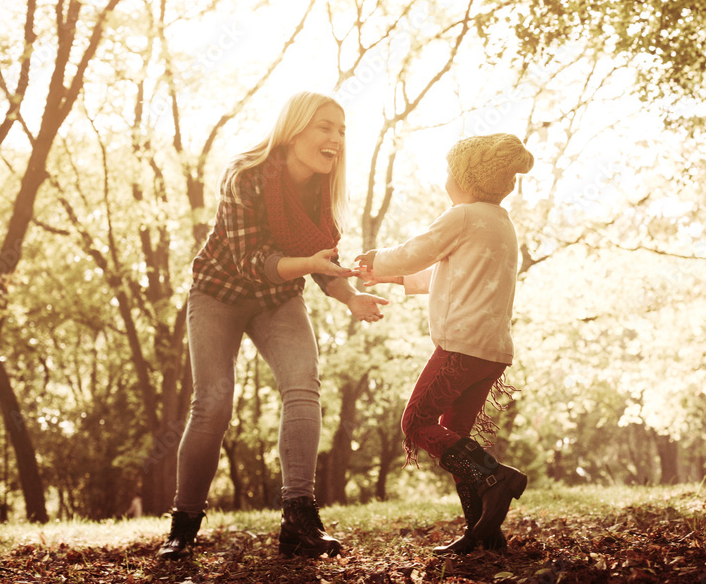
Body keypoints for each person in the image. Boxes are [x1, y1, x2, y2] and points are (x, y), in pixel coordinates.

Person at [157, 91, 389, 560]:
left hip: (277, 298)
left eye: (341, 130)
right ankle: (183, 525)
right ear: (295, 128)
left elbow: (324, 263)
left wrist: (350, 297)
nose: (336, 139)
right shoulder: (247, 173)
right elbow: (250, 261)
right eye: (325, 127)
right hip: (219, 292)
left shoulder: (323, 190)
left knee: (303, 383)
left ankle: (299, 519)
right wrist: (310, 263)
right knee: (214, 402)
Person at [356, 133, 534, 555]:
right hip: (491, 352)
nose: (444, 180)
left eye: (450, 171)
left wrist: (376, 260)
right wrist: (391, 277)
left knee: (416, 424)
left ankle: (496, 478)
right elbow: (446, 271)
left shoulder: (463, 215)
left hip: (459, 347)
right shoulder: (499, 222)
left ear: (467, 178)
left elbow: (420, 251)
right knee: (457, 440)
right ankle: (485, 536)